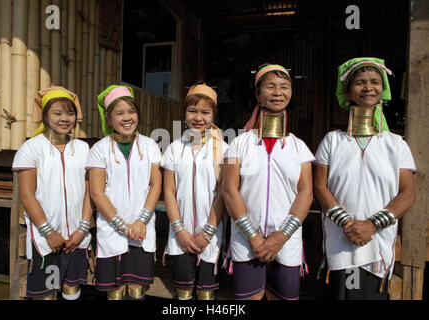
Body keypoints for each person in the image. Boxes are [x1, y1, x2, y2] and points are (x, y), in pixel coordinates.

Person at [313, 57, 416, 300]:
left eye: (375, 82)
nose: (368, 87)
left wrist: (371, 225)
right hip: (341, 240)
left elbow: (408, 193)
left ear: (383, 89)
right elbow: (320, 186)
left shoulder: (395, 144)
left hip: (377, 243)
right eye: (359, 82)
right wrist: (348, 224)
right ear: (347, 92)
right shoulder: (333, 140)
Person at [222, 64, 314, 300]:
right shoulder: (240, 143)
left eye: (284, 87)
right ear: (257, 94)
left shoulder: (298, 147)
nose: (278, 92)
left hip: (286, 240)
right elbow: (230, 191)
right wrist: (253, 236)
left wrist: (281, 237)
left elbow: (306, 194)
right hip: (246, 240)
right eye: (270, 86)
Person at [12, 87, 92, 300]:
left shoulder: (84, 149)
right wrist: (49, 232)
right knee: (46, 294)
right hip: (46, 240)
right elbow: (27, 195)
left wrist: (82, 229)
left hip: (77, 238)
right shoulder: (31, 148)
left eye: (70, 113)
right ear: (45, 116)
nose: (64, 118)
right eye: (57, 113)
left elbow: (89, 192)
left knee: (72, 290)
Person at [87, 85, 162, 300]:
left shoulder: (149, 146)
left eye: (131, 111)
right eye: (119, 113)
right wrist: (123, 226)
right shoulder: (100, 149)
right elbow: (97, 193)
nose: (127, 118)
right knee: (116, 291)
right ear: (109, 119)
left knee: (137, 289)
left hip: (142, 230)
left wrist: (141, 221)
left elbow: (155, 185)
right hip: (112, 232)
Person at [162, 82, 227, 300]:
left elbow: (222, 193)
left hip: (211, 235)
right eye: (192, 111)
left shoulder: (223, 149)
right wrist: (179, 230)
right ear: (185, 113)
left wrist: (207, 232)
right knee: (183, 292)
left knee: (205, 293)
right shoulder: (174, 148)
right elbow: (169, 191)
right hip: (180, 233)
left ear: (214, 115)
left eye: (205, 112)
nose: (198, 117)